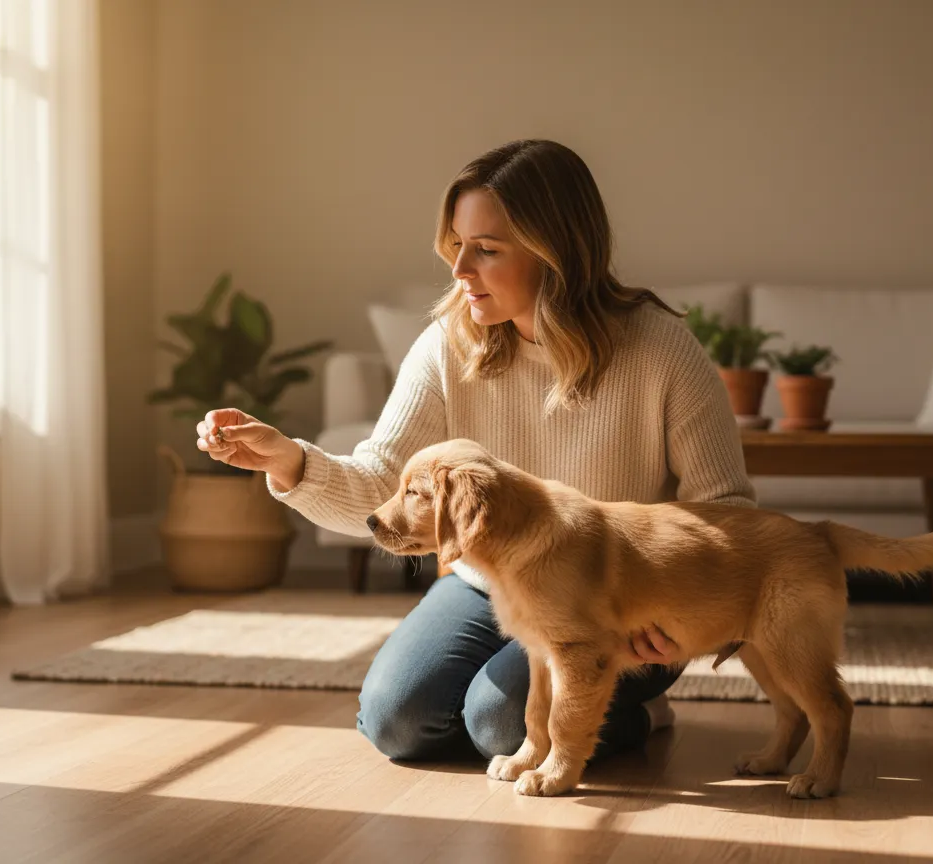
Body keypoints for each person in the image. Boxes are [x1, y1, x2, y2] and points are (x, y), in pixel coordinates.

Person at [196, 139, 757, 763]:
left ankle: (636, 706)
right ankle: (590, 712)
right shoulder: (446, 345)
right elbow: (382, 481)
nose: (461, 270)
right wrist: (286, 461)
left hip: (617, 598)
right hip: (486, 583)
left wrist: (676, 602)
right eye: (456, 246)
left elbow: (726, 508)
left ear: (558, 255)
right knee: (396, 724)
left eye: (486, 251)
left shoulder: (661, 350)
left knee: (497, 723)